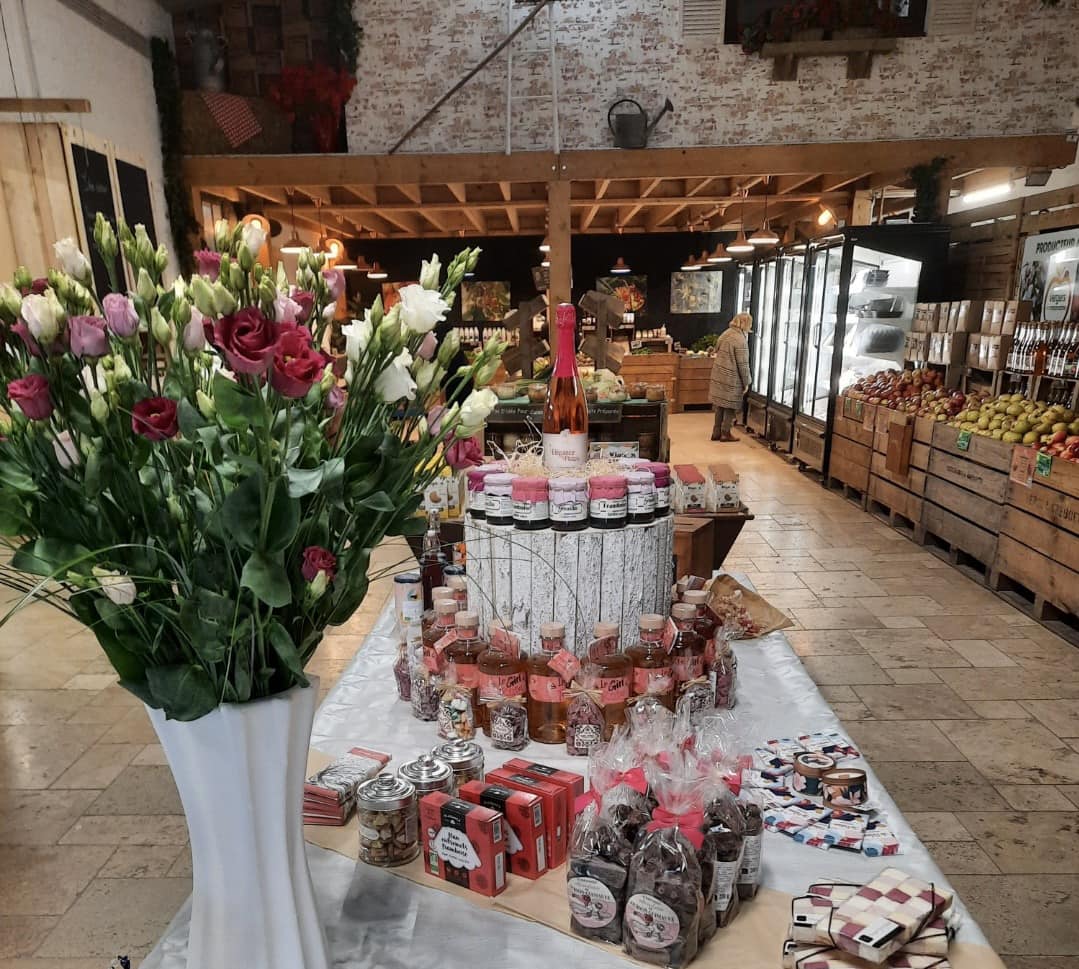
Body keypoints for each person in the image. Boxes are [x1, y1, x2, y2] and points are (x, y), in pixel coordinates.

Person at [709, 313, 753, 442]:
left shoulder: (726, 333)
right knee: (730, 405)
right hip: (731, 377)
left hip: (719, 374)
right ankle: (726, 433)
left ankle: (716, 432)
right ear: (746, 324)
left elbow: (716, 349)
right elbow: (743, 364)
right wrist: (747, 381)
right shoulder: (740, 340)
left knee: (720, 405)